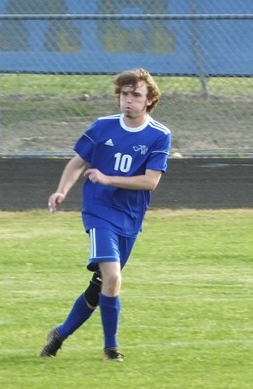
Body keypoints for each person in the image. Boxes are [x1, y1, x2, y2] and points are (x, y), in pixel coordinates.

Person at [39, 69, 172, 362]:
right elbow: (77, 163)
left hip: (131, 217)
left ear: (149, 100)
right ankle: (111, 349)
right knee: (112, 277)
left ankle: (59, 334)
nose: (128, 100)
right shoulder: (102, 127)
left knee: (102, 285)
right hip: (99, 211)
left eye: (136, 95)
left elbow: (150, 181)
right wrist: (61, 190)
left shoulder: (159, 135)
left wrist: (109, 178)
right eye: (124, 94)